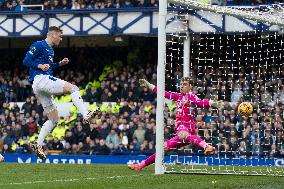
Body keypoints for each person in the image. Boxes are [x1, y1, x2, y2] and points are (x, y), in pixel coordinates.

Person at [23, 26, 95, 160]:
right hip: (40, 80)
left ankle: (38, 144)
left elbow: (49, 68)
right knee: (73, 88)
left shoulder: (50, 50)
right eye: (60, 36)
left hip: (40, 84)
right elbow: (26, 60)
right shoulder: (39, 45)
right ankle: (86, 114)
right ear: (53, 35)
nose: (61, 39)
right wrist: (40, 66)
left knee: (54, 119)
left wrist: (59, 64)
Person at [128, 77, 223, 170]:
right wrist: (149, 85)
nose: (182, 86)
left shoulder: (191, 96)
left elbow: (200, 102)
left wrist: (212, 102)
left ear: (190, 87)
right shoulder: (178, 96)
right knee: (162, 148)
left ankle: (207, 146)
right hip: (184, 131)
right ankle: (141, 165)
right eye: (181, 84)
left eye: (185, 84)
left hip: (187, 126)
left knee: (182, 135)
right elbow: (163, 93)